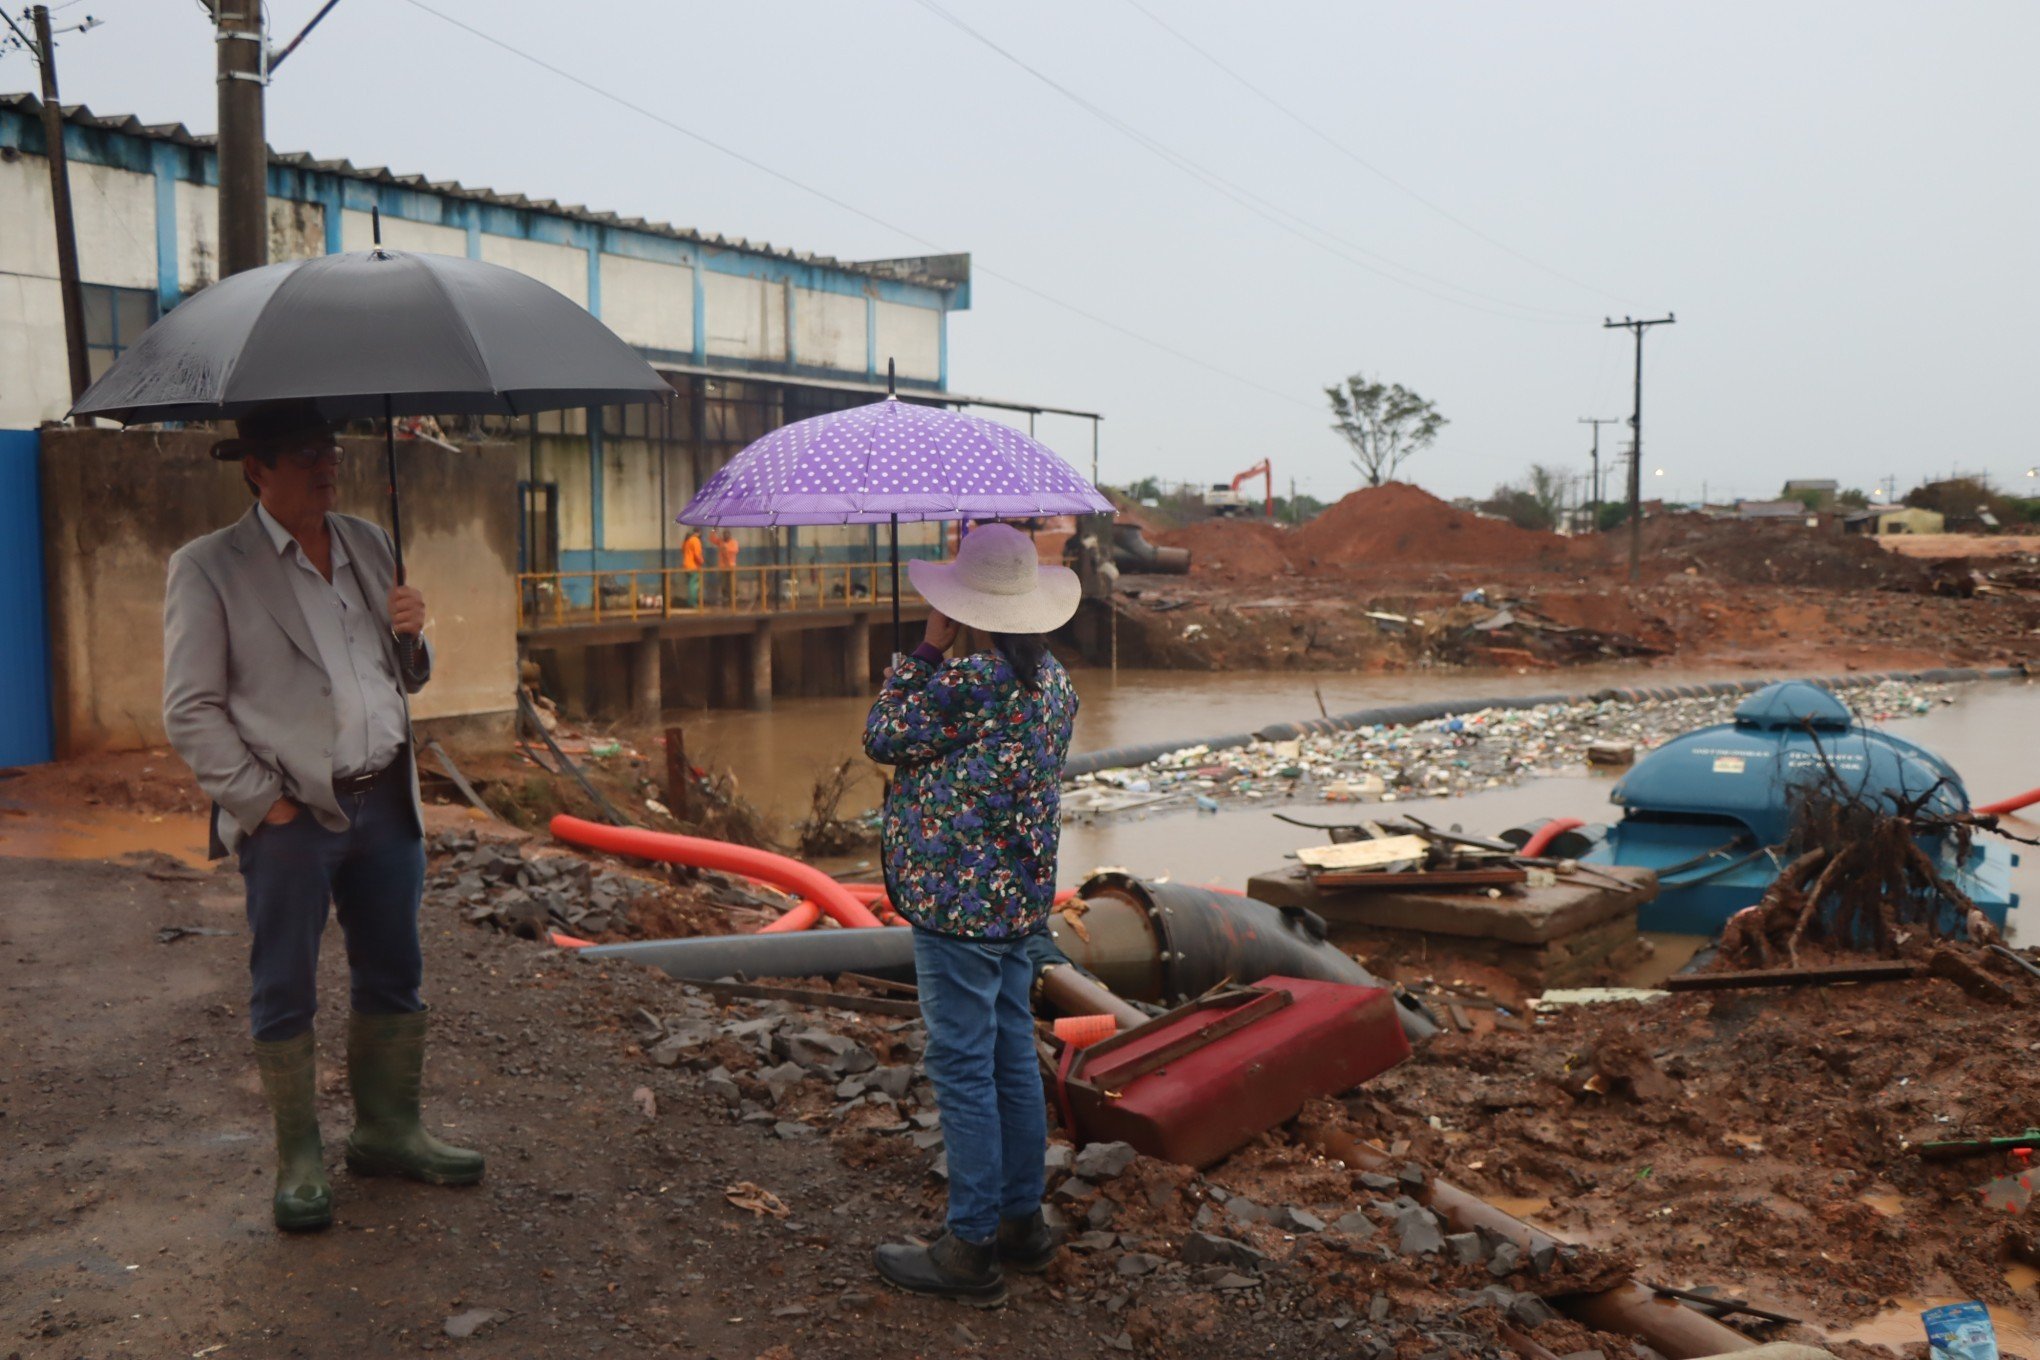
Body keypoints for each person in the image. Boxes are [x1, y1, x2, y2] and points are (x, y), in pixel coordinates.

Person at [162, 402, 483, 1233]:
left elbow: (401, 677)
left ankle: (387, 1131)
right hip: (294, 815)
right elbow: (190, 709)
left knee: (394, 972)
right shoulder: (208, 568)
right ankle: (300, 1158)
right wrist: (262, 806)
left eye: (331, 450)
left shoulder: (370, 543)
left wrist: (415, 639)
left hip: (387, 798)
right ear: (256, 468)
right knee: (285, 985)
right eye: (306, 454)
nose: (326, 467)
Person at [862, 523, 1082, 1306]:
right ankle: (1023, 1224)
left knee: (963, 1065)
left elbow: (882, 735)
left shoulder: (969, 683)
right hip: (1019, 901)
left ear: (967, 606)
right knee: (1009, 1058)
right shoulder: (1052, 682)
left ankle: (971, 1248)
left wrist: (925, 650)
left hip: (957, 907)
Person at [715, 528, 741, 608]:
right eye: (724, 535)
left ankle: (735, 595)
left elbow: (735, 550)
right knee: (724, 582)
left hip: (731, 566)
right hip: (723, 566)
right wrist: (713, 530)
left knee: (733, 582)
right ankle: (725, 596)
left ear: (729, 535)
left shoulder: (734, 542)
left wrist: (727, 548)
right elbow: (712, 539)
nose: (725, 536)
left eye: (727, 534)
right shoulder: (720, 542)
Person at [680, 527, 704, 608]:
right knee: (693, 585)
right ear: (699, 533)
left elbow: (682, 550)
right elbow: (697, 555)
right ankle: (692, 602)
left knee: (691, 584)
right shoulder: (696, 540)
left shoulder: (687, 540)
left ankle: (691, 601)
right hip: (693, 566)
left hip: (686, 565)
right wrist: (702, 562)